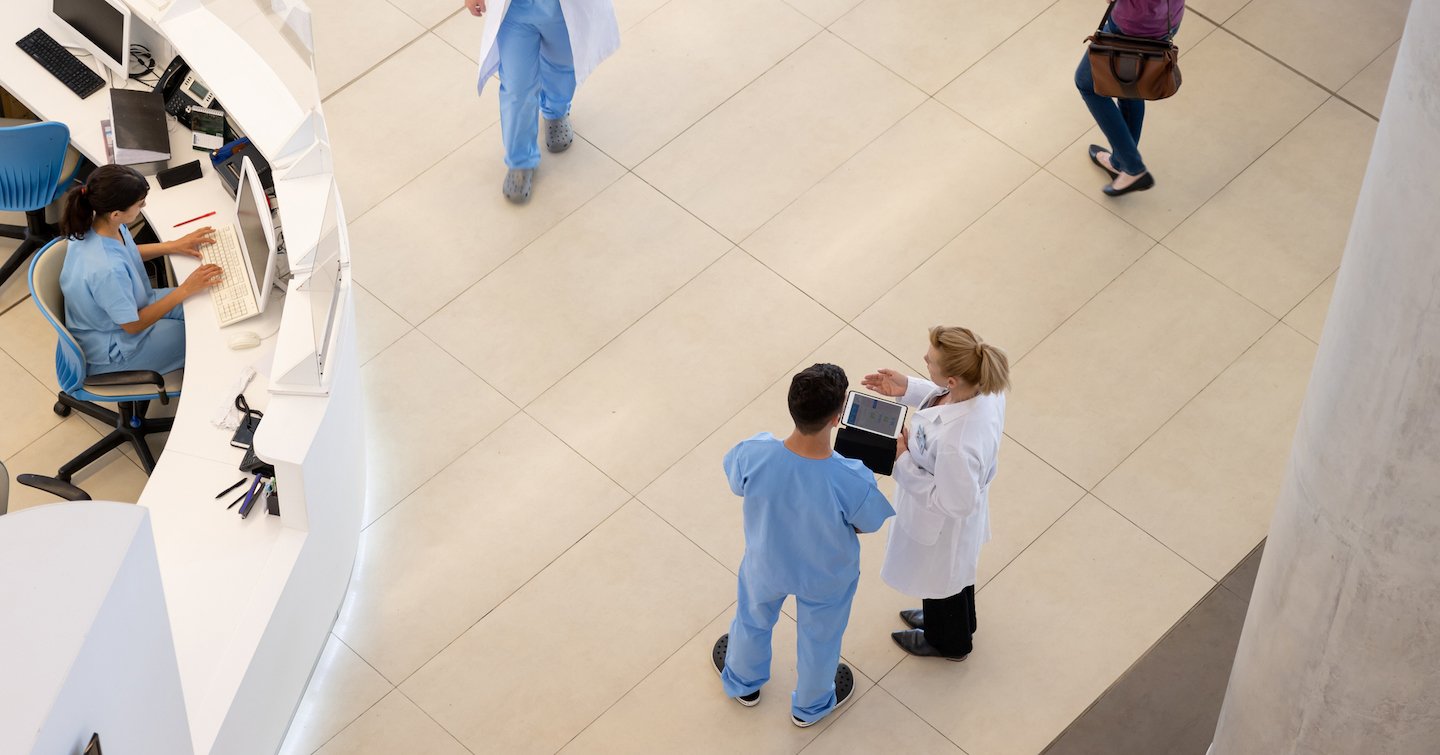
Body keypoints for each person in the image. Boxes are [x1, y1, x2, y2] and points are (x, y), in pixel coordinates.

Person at [712, 364, 894, 727]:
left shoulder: (752, 452)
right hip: (826, 576)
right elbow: (867, 524)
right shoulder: (852, 477)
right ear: (838, 416)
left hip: (766, 564)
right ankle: (811, 705)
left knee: (752, 619)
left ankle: (744, 682)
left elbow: (737, 484)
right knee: (821, 639)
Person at [863, 326, 1009, 661]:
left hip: (942, 524)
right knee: (952, 579)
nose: (924, 360)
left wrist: (901, 458)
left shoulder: (959, 444)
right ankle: (955, 624)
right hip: (947, 514)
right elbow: (944, 404)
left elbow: (953, 503)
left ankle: (949, 643)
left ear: (954, 379)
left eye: (931, 361)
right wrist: (908, 388)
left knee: (943, 580)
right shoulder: (983, 388)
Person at [58, 164, 222, 377]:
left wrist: (173, 245)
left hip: (129, 308)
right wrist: (185, 289)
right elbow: (133, 325)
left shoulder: (99, 223)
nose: (144, 205)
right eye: (140, 203)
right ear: (116, 213)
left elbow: (125, 252)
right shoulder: (107, 270)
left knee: (207, 305)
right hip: (117, 344)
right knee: (201, 332)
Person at [464, 0, 619, 203]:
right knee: (517, 87)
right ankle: (520, 160)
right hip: (514, 12)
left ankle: (555, 110)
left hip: (561, 9)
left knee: (561, 65)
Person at [1075, 0, 1185, 196]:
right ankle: (1119, 162)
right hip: (1168, 20)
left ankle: (1132, 167)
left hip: (1131, 24)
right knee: (1130, 84)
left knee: (1086, 84)